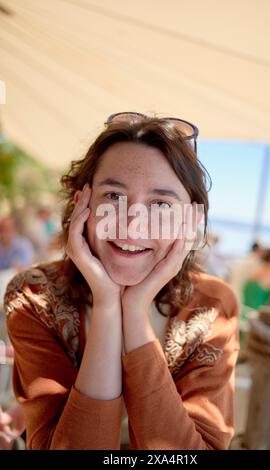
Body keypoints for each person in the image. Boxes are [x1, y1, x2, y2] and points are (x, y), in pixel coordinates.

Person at [4, 113, 239, 450]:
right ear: (81, 202)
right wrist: (106, 305)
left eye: (160, 203)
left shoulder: (212, 305)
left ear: (191, 221)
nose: (132, 224)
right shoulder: (35, 295)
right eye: (114, 196)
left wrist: (135, 308)